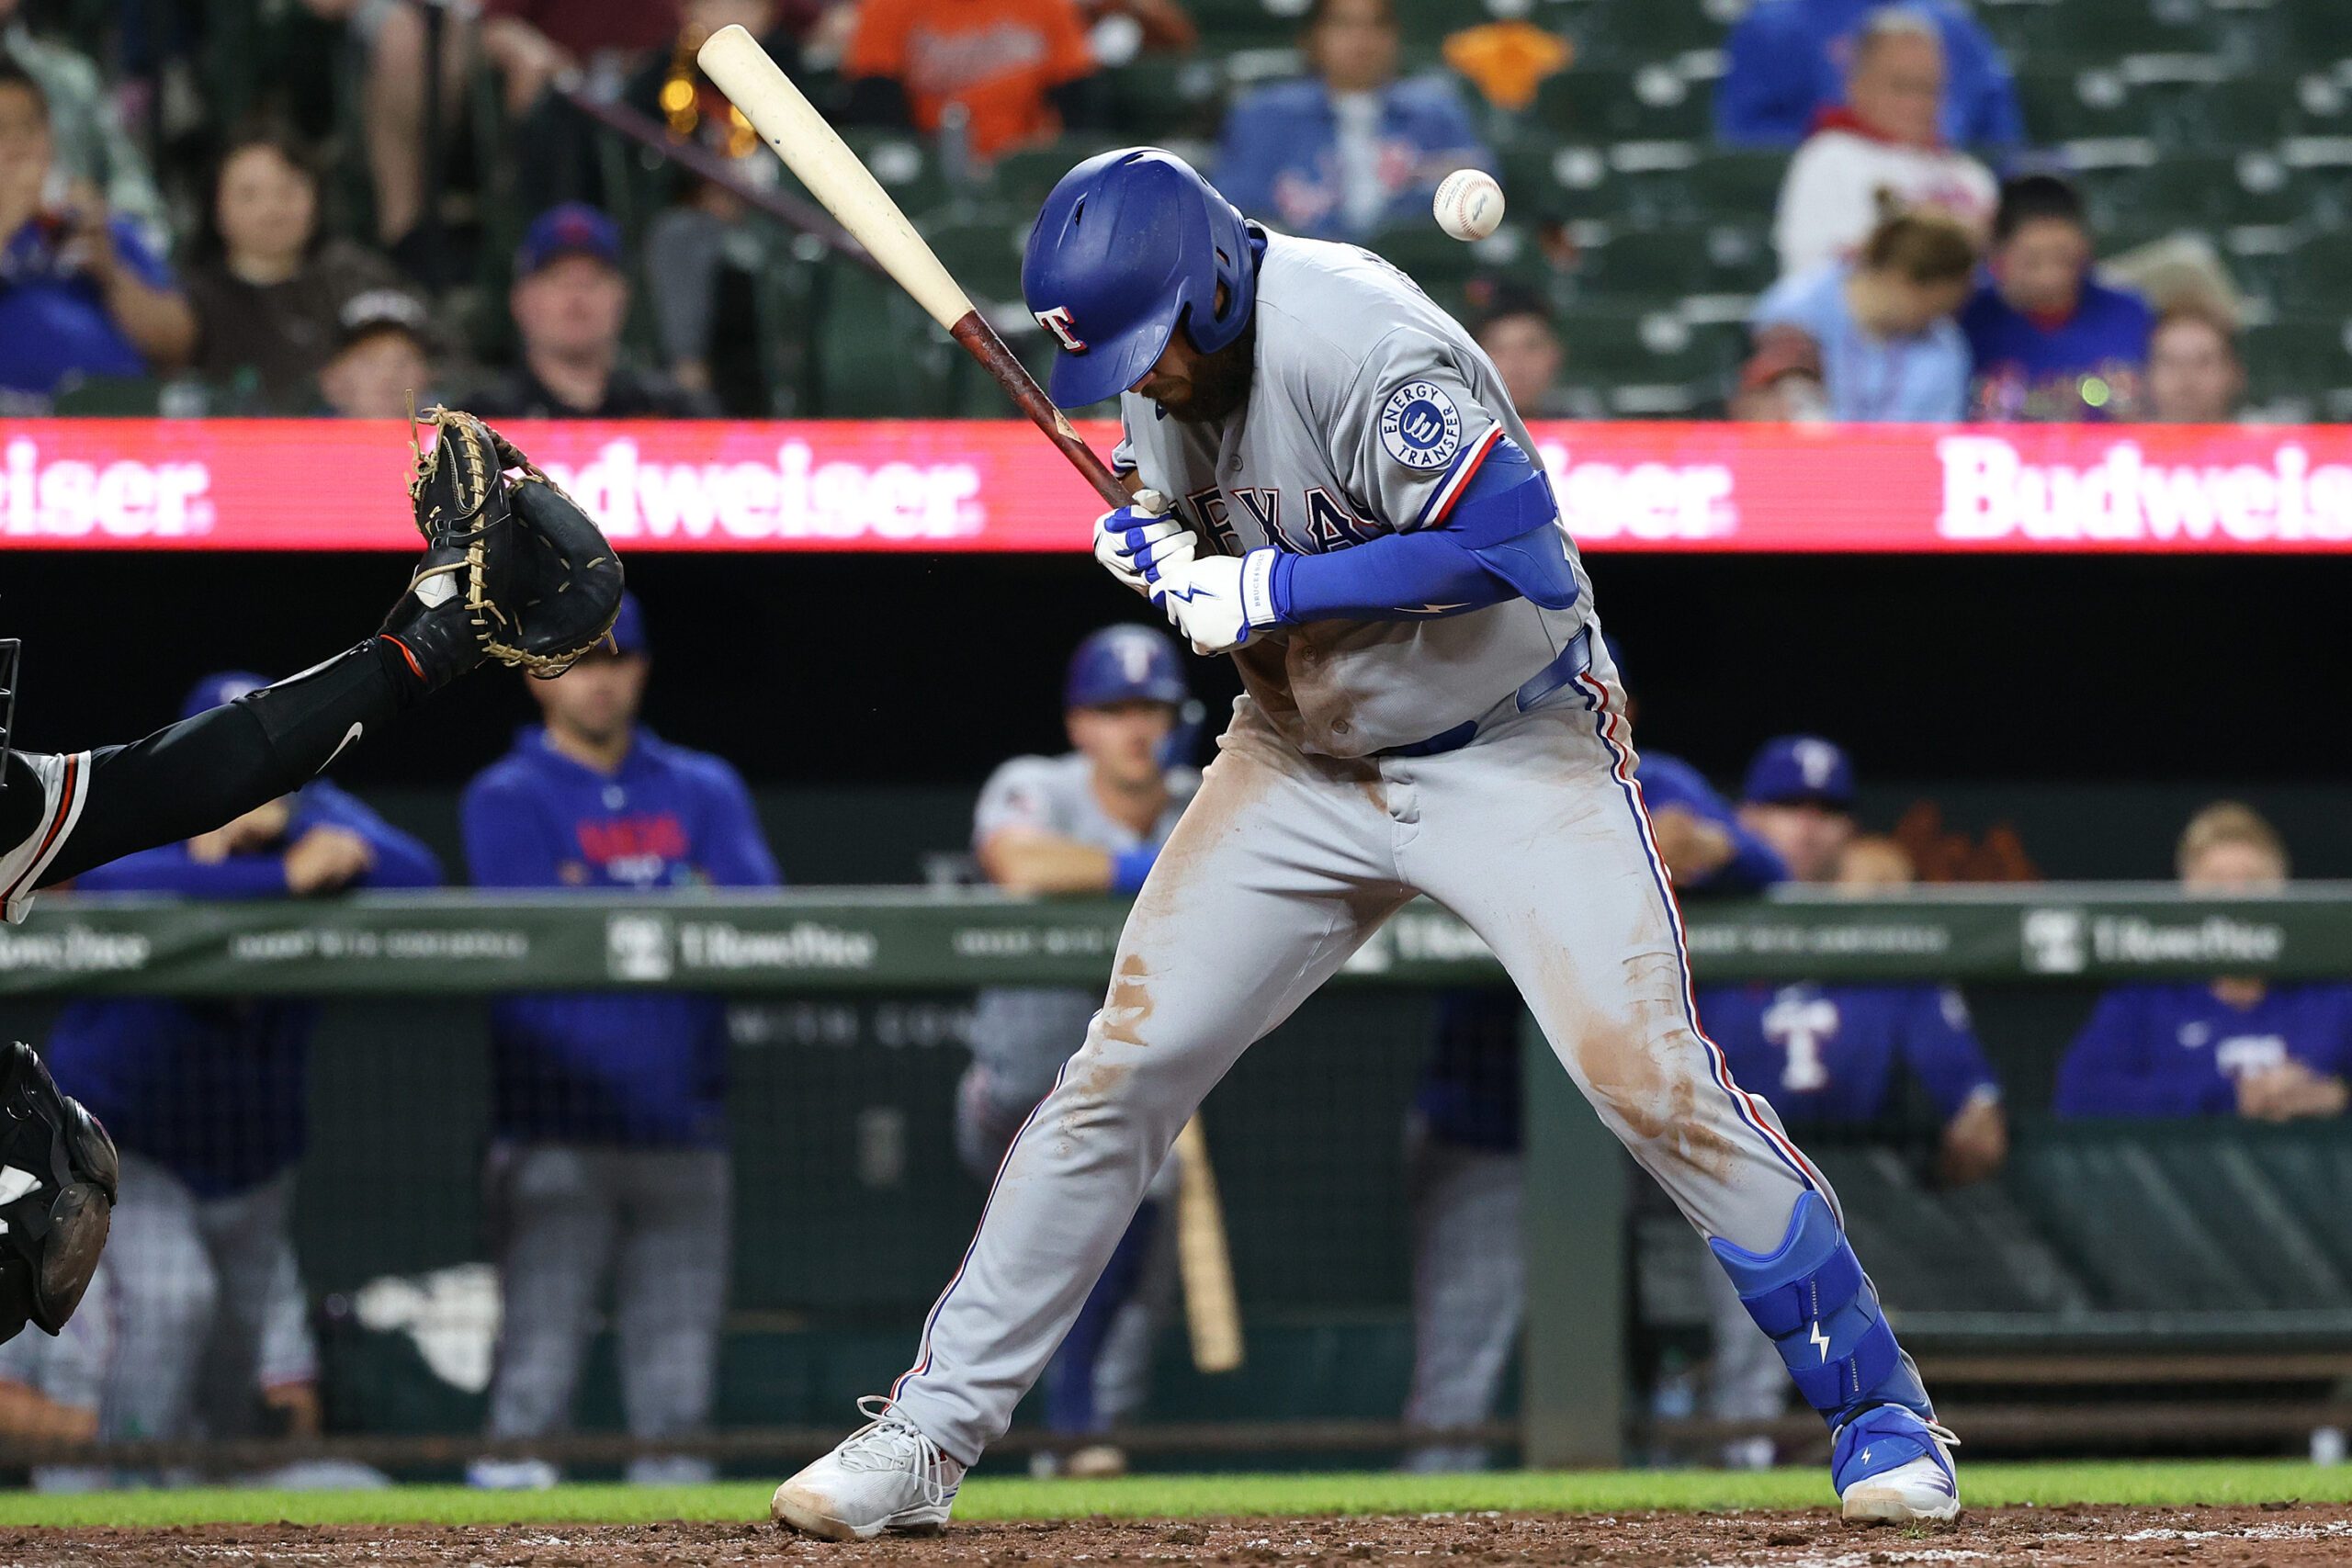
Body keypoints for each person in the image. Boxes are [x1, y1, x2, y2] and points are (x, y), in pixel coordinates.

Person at [766, 145, 1961, 1539]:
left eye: (1156, 350)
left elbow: (1509, 541)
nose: (1146, 380)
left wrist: (1258, 577)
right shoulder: (1170, 364)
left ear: (1213, 284)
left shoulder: (1358, 336)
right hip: (1298, 753)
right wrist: (1163, 539)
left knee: (1648, 1080)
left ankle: (1879, 1409)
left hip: (1508, 742)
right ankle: (925, 1435)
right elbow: (1218, 525)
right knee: (1121, 1070)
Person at [0, 407, 622, 1348]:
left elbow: (186, 776)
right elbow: (148, 861)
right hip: (169, 1136)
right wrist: (275, 882)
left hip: (244, 1159)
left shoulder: (30, 810)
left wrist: (421, 647)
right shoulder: (176, 871)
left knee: (52, 1182)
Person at [1400, 644, 1791, 1472]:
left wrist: (1713, 845)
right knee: (1458, 1368)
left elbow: (1768, 865)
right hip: (1494, 1123)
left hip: (1632, 1119)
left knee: (1752, 1200)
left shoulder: (1657, 778)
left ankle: (1744, 1454)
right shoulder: (1460, 773)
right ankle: (1425, 1511)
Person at [44, 671, 440, 1456]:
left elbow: (420, 873)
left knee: (237, 1349)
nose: (256, 767)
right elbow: (100, 880)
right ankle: (126, 1482)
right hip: (131, 1147)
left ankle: (210, 1515)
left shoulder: (308, 812)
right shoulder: (153, 810)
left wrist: (305, 848)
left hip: (252, 1158)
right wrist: (265, 880)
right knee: (170, 1299)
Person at [462, 593, 780, 1489]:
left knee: (677, 1409)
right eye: (575, 660)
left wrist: (592, 885)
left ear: (639, 668)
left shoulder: (702, 785)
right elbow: (536, 936)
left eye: (615, 657)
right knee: (532, 1390)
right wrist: (682, 888)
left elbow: (757, 914)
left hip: (684, 1127)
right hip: (552, 1128)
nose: (598, 679)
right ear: (535, 675)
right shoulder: (506, 794)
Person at [1697, 740, 2006, 1466]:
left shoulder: (1884, 933)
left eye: (1828, 811)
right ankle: (1733, 1466)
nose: (1807, 826)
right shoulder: (1694, 912)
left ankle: (1885, 1443)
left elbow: (1977, 1112)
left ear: (1852, 830)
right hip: (1722, 1184)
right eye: (1786, 807)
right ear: (1745, 816)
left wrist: (1969, 1119)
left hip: (1858, 1186)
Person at [962, 624, 1199, 1478]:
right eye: (1114, 708)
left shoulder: (1205, 801)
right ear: (1079, 723)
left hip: (1131, 1087)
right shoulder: (1037, 783)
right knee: (1048, 1249)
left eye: (1154, 707)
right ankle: (1065, 1423)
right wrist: (1152, 866)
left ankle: (1075, 1427)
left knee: (1124, 1251)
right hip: (1017, 1083)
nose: (1137, 726)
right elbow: (1018, 860)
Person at [2056, 805, 2350, 1122]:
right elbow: (2079, 1094)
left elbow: (2334, 1093)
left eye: (2252, 882)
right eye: (2216, 883)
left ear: (2282, 891)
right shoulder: (2147, 996)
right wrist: (2225, 1095)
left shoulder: (2330, 993)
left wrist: (2337, 1096)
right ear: (2187, 896)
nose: (2235, 898)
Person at [1215, 0, 1489, 243]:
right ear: (1312, 38)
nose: (1363, 39)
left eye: (1377, 24)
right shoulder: (1267, 114)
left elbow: (1481, 193)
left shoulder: (1435, 111)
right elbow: (1236, 209)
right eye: (1343, 24)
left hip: (1413, 281)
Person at [0, 59, 194, 403]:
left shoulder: (95, 224)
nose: (19, 147)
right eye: (1, 131)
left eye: (30, 129)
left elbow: (179, 348)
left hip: (119, 432)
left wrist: (111, 273)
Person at [181, 128, 406, 411]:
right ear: (215, 207)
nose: (272, 209)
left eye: (288, 191)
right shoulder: (191, 298)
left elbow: (439, 359)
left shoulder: (356, 276)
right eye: (249, 195)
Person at [1771, 9, 1996, 279]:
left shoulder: (1970, 176)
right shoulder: (1828, 159)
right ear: (1857, 85)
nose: (1917, 103)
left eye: (1929, 88)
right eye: (1901, 86)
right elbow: (1815, 280)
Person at [470, 204, 713, 420]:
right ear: (521, 300)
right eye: (560, 280)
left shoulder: (673, 412)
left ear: (622, 297)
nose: (577, 298)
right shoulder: (482, 420)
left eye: (593, 280)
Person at [1748, 206, 1977, 423]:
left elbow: (1936, 443)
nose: (1937, 320)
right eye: (1933, 308)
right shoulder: (1791, 315)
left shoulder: (1946, 348)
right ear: (1901, 280)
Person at [1962, 174, 2154, 423]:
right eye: (2031, 262)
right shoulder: (1970, 319)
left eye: (2064, 258)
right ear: (1998, 253)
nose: (2050, 278)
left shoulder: (2130, 315)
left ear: (2085, 246)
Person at [1716, 0, 2021, 151]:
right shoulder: (1775, 24)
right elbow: (1745, 143)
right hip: (1827, 197)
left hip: (1940, 197)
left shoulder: (1951, 24)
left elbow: (2001, 138)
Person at [842, 0, 1096, 162]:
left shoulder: (1047, 6)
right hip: (929, 160)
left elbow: (1078, 96)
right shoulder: (888, 6)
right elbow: (874, 98)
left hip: (1023, 166)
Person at [0, 0, 166, 244]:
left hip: (75, 260)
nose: (15, 144)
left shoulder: (69, 77)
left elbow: (141, 205)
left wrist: (103, 222)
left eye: (27, 128)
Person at [319, 288, 441, 420]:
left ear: (428, 375)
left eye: (403, 363)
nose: (388, 376)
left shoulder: (453, 438)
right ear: (332, 378)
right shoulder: (302, 438)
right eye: (370, 361)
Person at [2145, 301, 2246, 424]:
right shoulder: (2123, 443)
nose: (2186, 379)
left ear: (2234, 373)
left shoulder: (2262, 440)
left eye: (2203, 362)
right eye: (2170, 362)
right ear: (2147, 375)